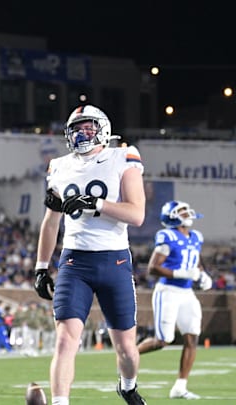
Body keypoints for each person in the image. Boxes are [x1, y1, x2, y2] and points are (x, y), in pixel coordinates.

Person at [33, 104, 147, 405]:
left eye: (89, 127)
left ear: (103, 129)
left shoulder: (124, 157)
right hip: (74, 262)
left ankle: (128, 385)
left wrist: (96, 204)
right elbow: (51, 221)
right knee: (65, 339)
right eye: (77, 129)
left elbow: (137, 214)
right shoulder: (59, 166)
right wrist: (41, 267)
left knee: (126, 348)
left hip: (115, 259)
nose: (83, 134)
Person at [137, 200, 211, 399]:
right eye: (182, 211)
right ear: (171, 216)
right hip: (168, 291)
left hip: (187, 293)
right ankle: (128, 355)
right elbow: (153, 268)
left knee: (192, 336)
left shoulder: (196, 237)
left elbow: (195, 262)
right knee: (163, 340)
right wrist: (181, 273)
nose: (187, 213)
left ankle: (180, 386)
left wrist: (203, 275)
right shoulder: (167, 236)